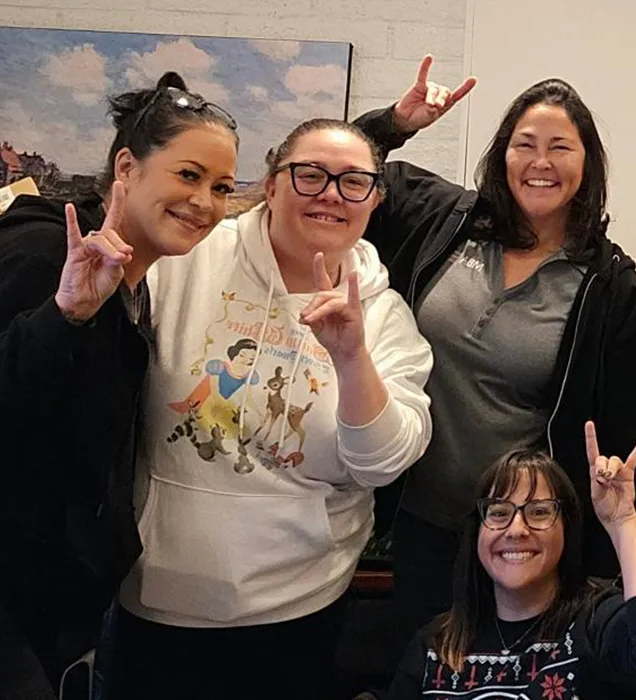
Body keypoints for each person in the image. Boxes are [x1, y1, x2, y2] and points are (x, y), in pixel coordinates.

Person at [108, 118, 433, 700]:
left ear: (374, 200)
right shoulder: (190, 257)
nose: (331, 193)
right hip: (162, 595)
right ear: (273, 184)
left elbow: (383, 462)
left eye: (354, 182)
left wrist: (353, 357)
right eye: (309, 175)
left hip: (301, 602)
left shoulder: (384, 316)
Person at [353, 57, 636, 654]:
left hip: (522, 544)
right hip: (417, 522)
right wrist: (394, 123)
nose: (540, 162)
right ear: (503, 154)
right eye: (525, 144)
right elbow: (338, 168)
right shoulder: (442, 219)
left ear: (587, 165)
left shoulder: (612, 288)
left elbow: (622, 434)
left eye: (560, 148)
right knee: (419, 674)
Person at [0, 71, 238, 696]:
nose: (204, 201)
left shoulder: (133, 285)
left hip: (53, 601)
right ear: (127, 166)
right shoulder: (43, 258)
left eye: (222, 187)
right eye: (188, 175)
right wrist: (61, 316)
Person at [387, 423, 636, 699]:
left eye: (539, 512)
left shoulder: (596, 622)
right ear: (477, 533)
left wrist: (622, 521)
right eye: (498, 513)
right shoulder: (435, 644)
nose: (517, 530)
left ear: (566, 529)